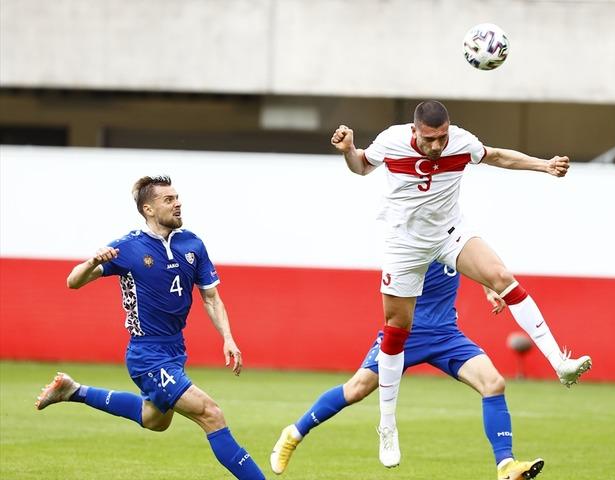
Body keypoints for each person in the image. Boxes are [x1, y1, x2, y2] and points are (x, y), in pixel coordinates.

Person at [331, 100, 592, 468]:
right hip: (404, 243)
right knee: (397, 329)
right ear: (415, 131)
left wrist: (543, 165)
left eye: (442, 137)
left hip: (448, 233)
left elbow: (498, 156)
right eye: (430, 139)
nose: (438, 146)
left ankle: (559, 362)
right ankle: (387, 425)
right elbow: (361, 166)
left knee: (501, 277)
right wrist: (348, 150)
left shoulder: (460, 141)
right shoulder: (391, 141)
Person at [35, 175, 266, 480]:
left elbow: (211, 298)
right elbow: (72, 281)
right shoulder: (128, 247)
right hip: (147, 354)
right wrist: (92, 262)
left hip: (174, 349)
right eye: (168, 200)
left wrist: (228, 338)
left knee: (155, 420)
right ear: (148, 209)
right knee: (211, 413)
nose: (178, 203)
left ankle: (74, 391)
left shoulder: (192, 244)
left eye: (177, 197)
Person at [271, 262, 546, 480]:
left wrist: (488, 288)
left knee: (494, 383)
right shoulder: (410, 240)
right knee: (356, 389)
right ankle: (294, 434)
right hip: (404, 335)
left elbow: (472, 260)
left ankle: (506, 466)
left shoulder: (452, 234)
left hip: (446, 334)